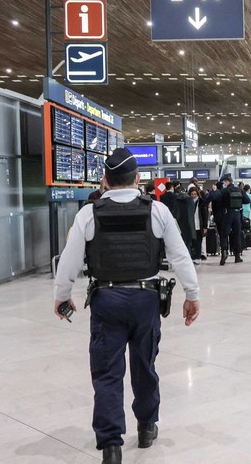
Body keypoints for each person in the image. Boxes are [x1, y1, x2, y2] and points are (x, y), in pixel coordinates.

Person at [52, 148, 200, 464]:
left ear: (105, 181)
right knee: (145, 365)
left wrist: (62, 295)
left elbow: (70, 262)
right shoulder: (157, 211)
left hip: (107, 300)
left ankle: (111, 446)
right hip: (146, 300)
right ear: (137, 178)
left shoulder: (88, 214)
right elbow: (179, 255)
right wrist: (192, 294)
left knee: (107, 372)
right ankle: (146, 428)